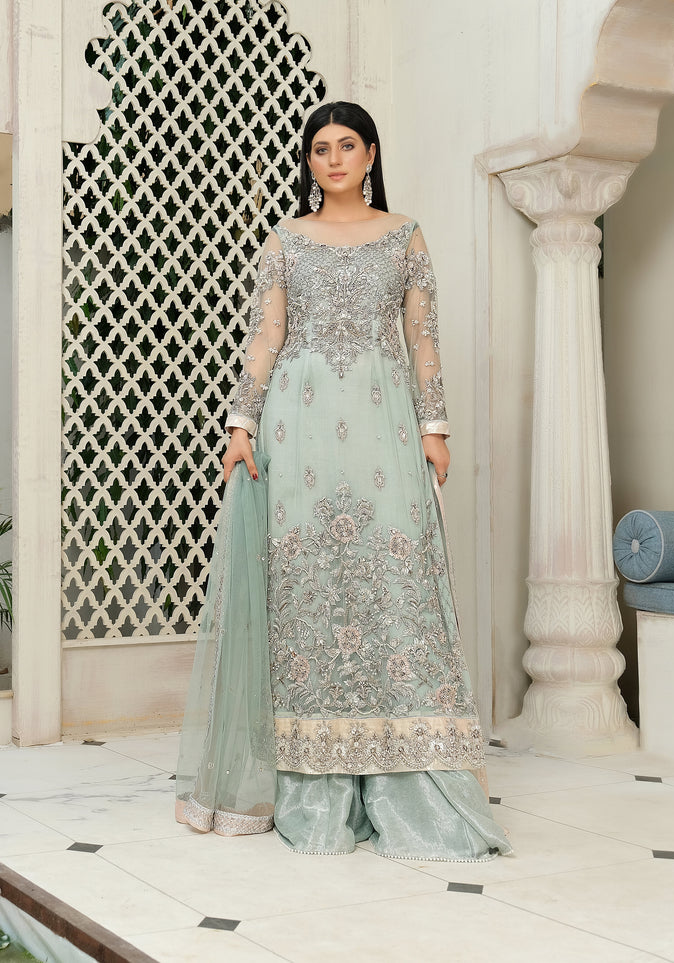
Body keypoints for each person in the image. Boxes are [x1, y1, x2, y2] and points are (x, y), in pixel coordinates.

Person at [175, 102, 511, 860]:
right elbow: (266, 334)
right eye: (319, 149)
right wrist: (240, 422)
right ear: (310, 160)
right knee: (306, 587)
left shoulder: (404, 235)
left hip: (382, 421)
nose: (331, 159)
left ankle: (408, 776)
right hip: (297, 427)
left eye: (345, 146)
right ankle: (312, 782)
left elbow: (422, 339)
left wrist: (434, 430)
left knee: (395, 583)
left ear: (369, 155)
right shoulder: (286, 239)